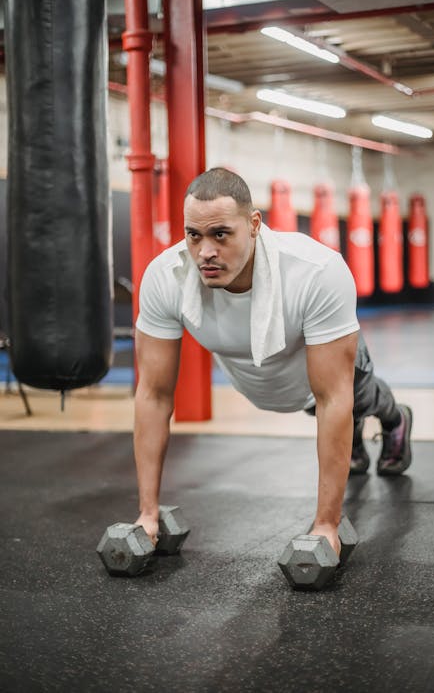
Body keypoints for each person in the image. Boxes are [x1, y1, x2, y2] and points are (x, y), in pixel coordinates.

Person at [133, 167, 412, 556]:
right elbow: (153, 394)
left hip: (322, 373)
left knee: (357, 400)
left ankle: (396, 419)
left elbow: (335, 397)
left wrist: (326, 525)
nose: (205, 252)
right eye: (193, 235)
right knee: (324, 411)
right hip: (271, 381)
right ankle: (354, 445)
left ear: (254, 224)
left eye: (220, 234)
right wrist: (148, 513)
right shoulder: (166, 278)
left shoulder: (315, 272)